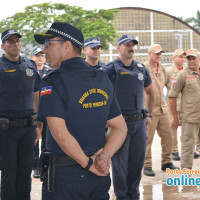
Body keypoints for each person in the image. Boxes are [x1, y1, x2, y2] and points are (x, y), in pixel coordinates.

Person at [34, 22, 127, 200]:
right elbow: (120, 127)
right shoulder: (100, 77)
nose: (44, 50)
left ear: (67, 46)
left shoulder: (52, 81)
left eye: (49, 44)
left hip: (65, 179)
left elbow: (60, 134)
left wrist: (89, 164)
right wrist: (103, 158)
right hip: (98, 177)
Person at [102, 34, 155, 200]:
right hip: (119, 124)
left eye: (132, 45)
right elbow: (102, 95)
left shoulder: (141, 68)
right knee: (120, 165)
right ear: (118, 48)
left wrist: (149, 115)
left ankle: (134, 194)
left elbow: (151, 92)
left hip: (139, 123)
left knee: (137, 162)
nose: (130, 47)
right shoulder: (111, 69)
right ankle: (122, 195)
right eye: (126, 45)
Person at [0, 29, 41, 200]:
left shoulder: (30, 65)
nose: (15, 43)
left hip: (28, 128)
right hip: (5, 129)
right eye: (10, 41)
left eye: (17, 40)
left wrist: (39, 123)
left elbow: (36, 94)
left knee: (25, 172)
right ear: (3, 46)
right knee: (9, 172)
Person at [143, 44, 179, 177]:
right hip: (150, 111)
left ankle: (167, 162)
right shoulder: (143, 69)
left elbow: (171, 85)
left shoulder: (163, 69)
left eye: (160, 54)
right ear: (149, 53)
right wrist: (144, 111)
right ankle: (147, 165)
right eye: (156, 53)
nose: (159, 56)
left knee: (168, 136)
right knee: (147, 139)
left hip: (163, 110)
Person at [169, 48, 200, 169]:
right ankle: (186, 179)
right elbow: (172, 96)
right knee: (188, 147)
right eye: (189, 59)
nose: (191, 61)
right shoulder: (181, 74)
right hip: (190, 118)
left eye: (194, 58)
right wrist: (174, 118)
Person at [31, 47, 51, 178]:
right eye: (37, 55)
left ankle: (44, 165)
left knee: (46, 140)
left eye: (41, 55)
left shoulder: (49, 72)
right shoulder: (29, 72)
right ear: (32, 57)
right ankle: (35, 166)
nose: (39, 57)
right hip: (33, 110)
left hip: (47, 110)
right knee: (35, 139)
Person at [166, 49, 186, 161]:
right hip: (172, 105)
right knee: (173, 129)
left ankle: (189, 150)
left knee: (187, 130)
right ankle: (174, 151)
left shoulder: (188, 71)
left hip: (186, 105)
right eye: (180, 57)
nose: (182, 59)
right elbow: (161, 85)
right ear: (174, 58)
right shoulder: (169, 71)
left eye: (184, 57)